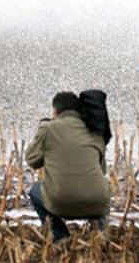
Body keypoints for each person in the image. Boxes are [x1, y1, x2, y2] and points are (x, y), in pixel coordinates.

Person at [26, 90, 111, 241]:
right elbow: (101, 169)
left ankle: (60, 236)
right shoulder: (95, 131)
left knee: (34, 190)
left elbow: (32, 161)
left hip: (60, 203)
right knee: (99, 188)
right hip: (96, 203)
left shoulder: (48, 129)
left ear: (56, 110)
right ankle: (101, 232)